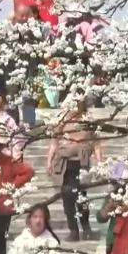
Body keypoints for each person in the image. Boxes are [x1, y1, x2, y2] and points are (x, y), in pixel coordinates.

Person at [47, 100, 103, 242]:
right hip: (65, 164)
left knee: (81, 197)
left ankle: (86, 229)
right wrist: (49, 161)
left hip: (81, 163)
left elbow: (96, 143)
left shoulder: (89, 120)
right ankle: (73, 230)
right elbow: (54, 142)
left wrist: (100, 162)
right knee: (67, 197)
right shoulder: (62, 120)